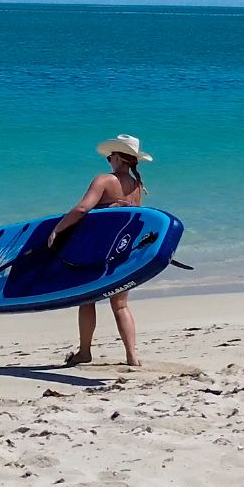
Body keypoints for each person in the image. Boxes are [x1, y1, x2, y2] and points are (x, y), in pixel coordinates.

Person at [52, 134, 152, 367]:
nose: (108, 160)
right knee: (121, 305)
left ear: (118, 157)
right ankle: (131, 355)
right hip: (123, 250)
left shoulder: (105, 180)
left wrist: (57, 230)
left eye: (110, 156)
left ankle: (85, 351)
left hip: (97, 250)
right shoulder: (137, 186)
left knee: (87, 300)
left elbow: (82, 209)